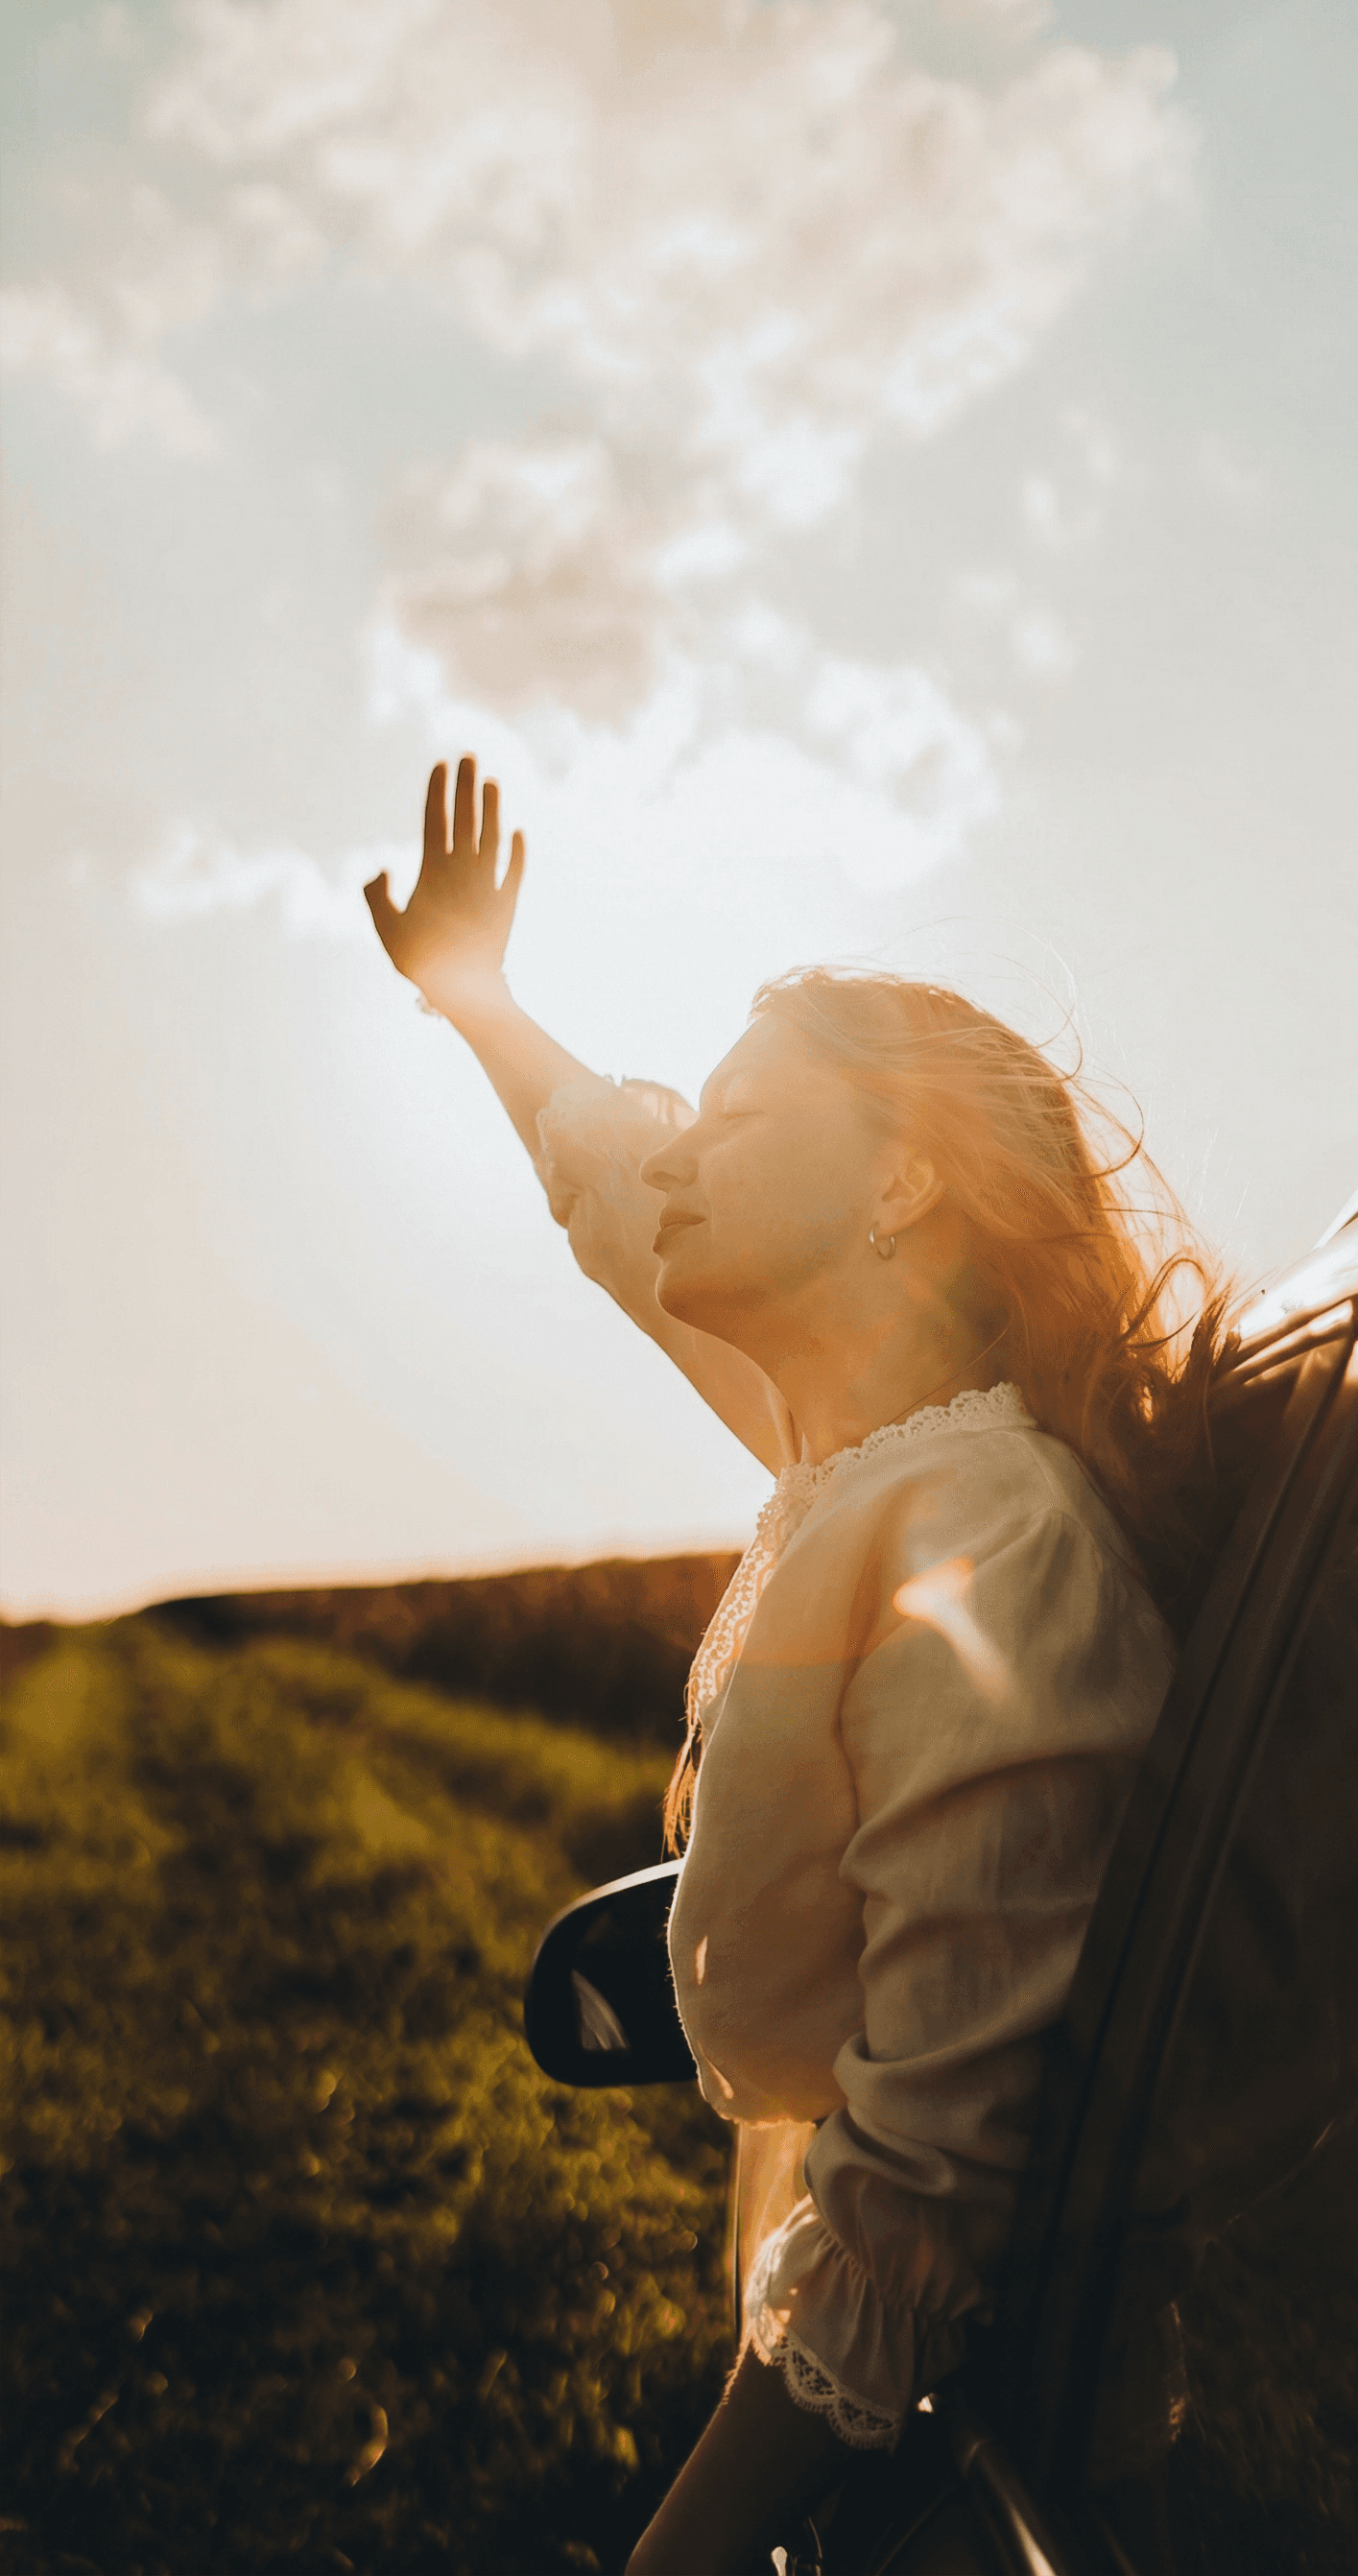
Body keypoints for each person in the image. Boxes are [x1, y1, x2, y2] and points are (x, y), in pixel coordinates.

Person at [365, 758, 1227, 2575]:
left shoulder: (986, 1532)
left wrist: (674, 2555)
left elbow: (931, 2190)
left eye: (742, 1118)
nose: (681, 1148)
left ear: (904, 1180)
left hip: (975, 2485)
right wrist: (481, 1004)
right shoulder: (870, 1457)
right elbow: (619, 1187)